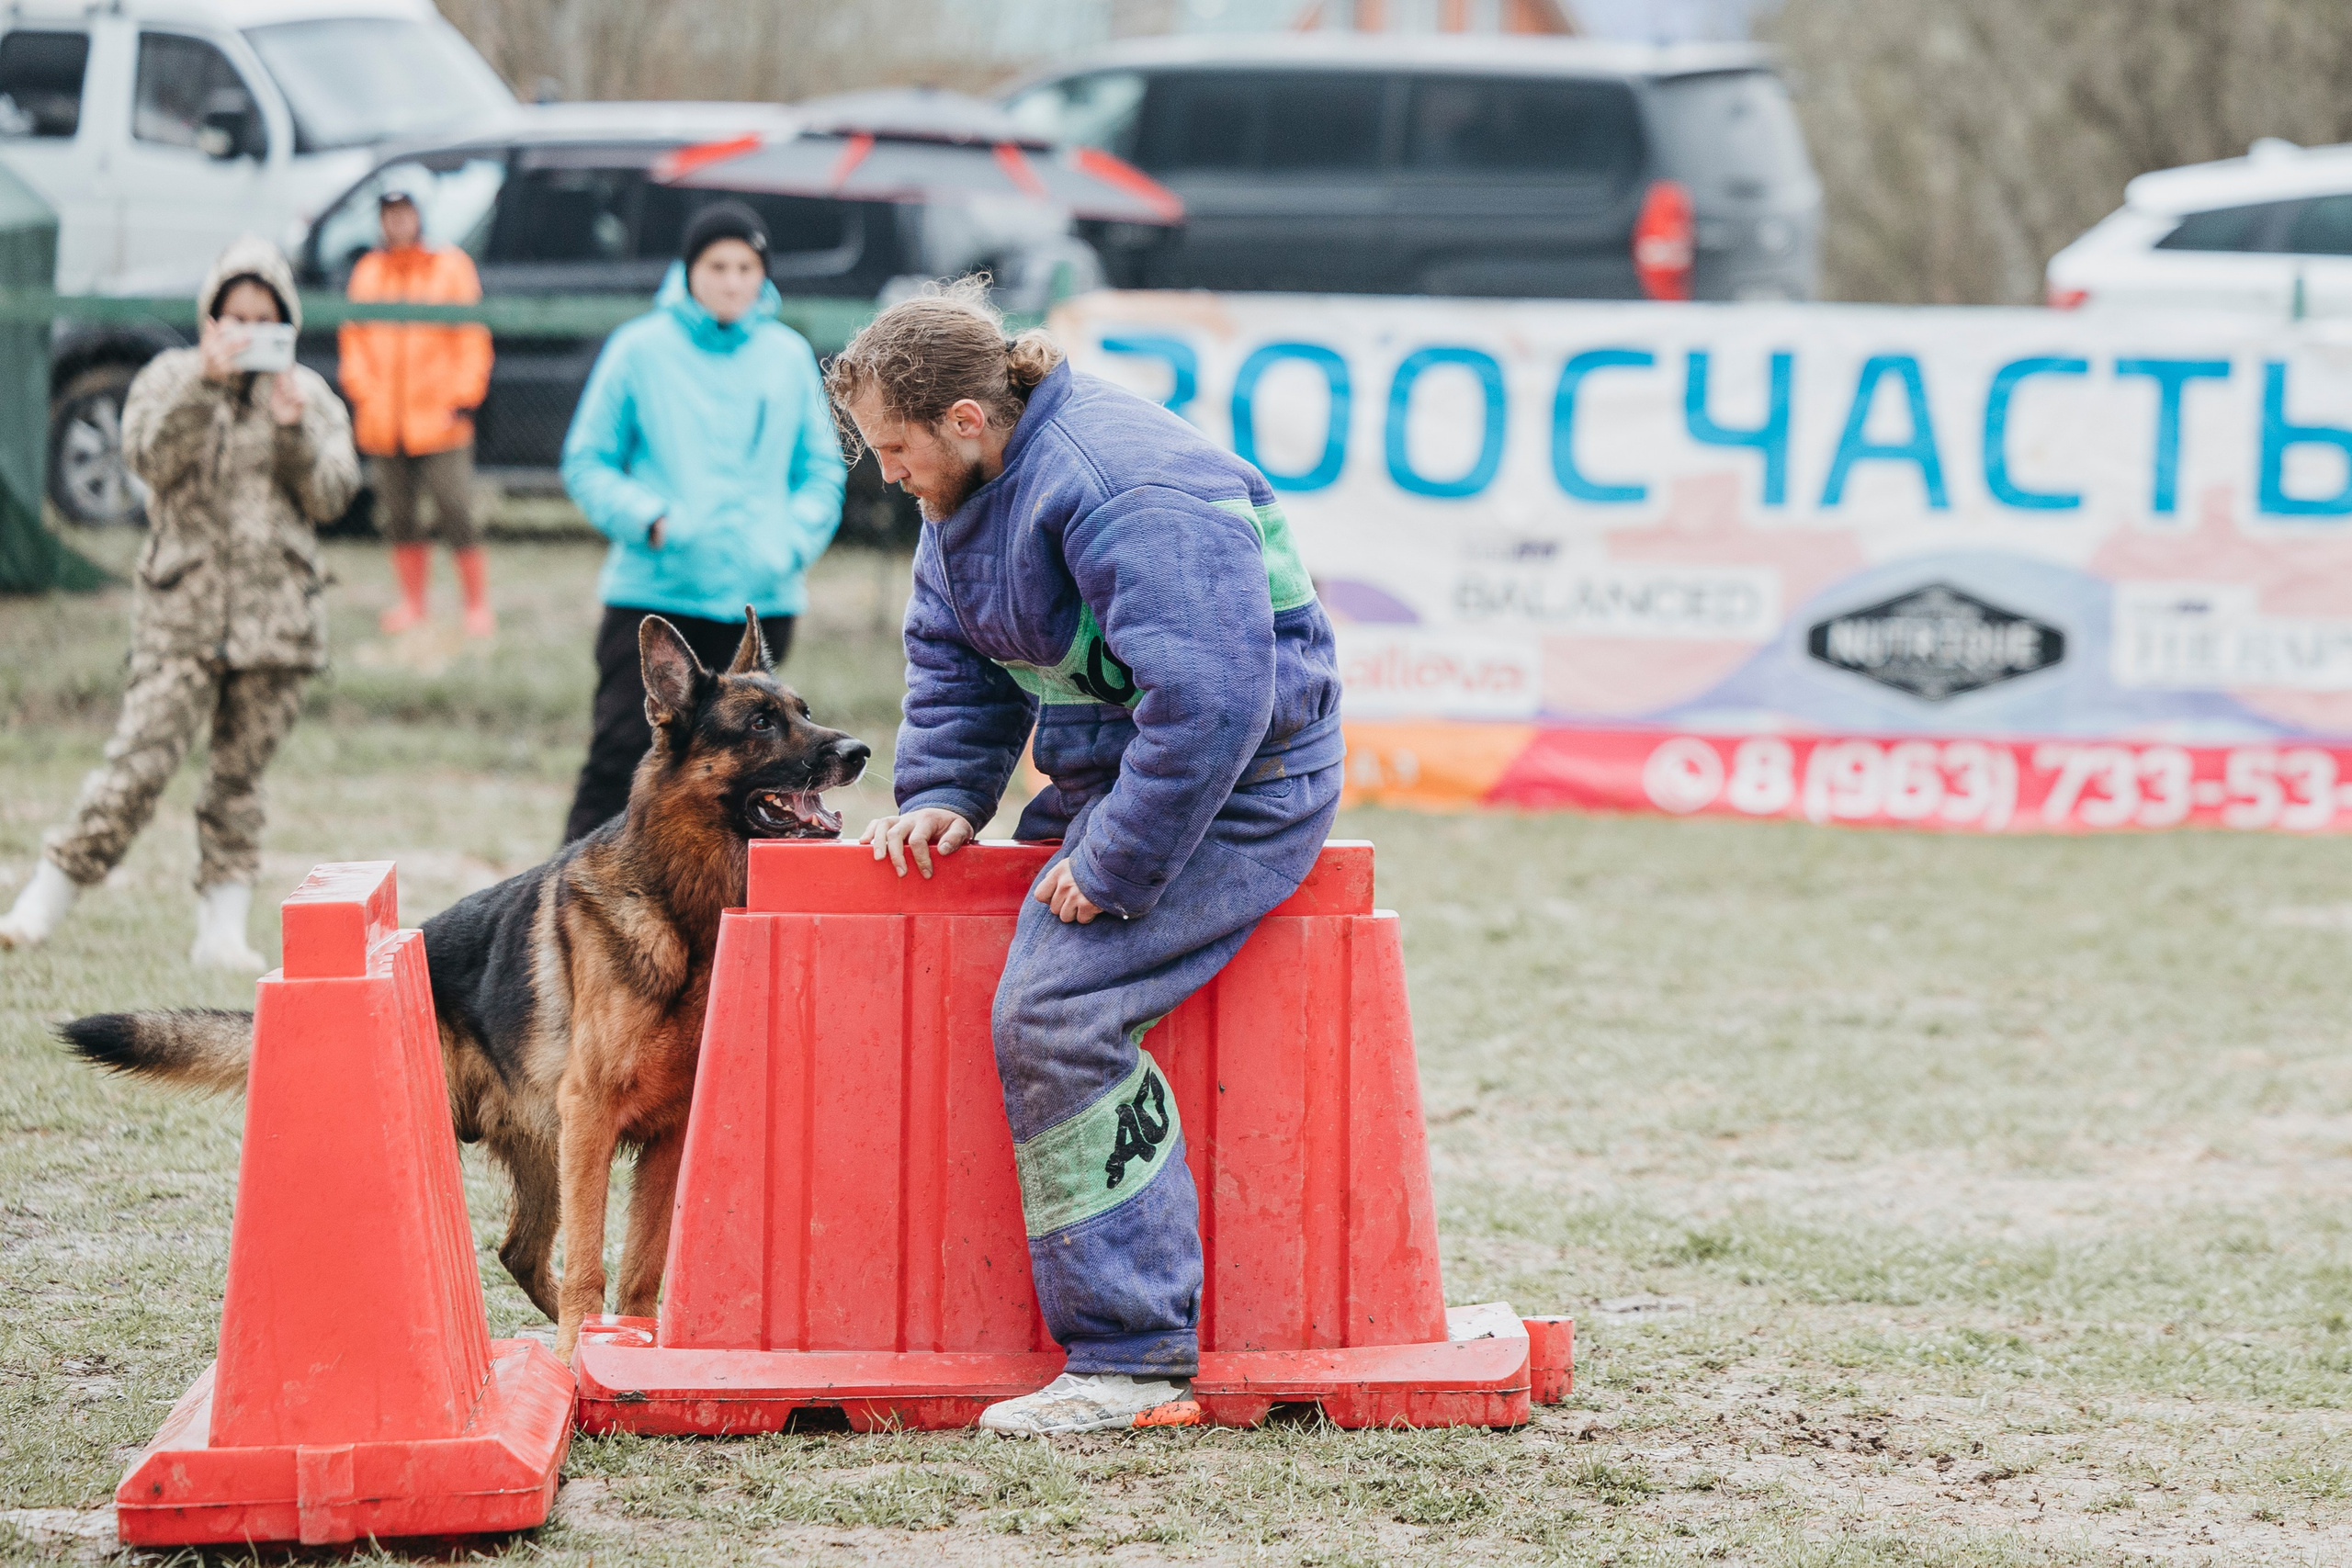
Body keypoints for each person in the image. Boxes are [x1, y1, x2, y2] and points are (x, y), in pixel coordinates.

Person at [830, 281, 1345, 1436]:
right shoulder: (965, 488)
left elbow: (1215, 704)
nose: (887, 474)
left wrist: (1112, 862)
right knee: (1015, 979)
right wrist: (944, 795)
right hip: (1117, 775)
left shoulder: (1127, 490)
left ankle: (1130, 1359)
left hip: (1242, 787)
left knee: (1055, 1014)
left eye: (894, 449)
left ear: (967, 418)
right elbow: (952, 653)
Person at [0, 237, 359, 967]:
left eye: (264, 319)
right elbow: (146, 460)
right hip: (180, 617)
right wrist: (203, 384)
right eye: (235, 316)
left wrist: (293, 432)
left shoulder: (309, 396)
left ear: (286, 322)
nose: (248, 332)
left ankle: (220, 933)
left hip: (277, 625)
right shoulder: (169, 377)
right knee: (136, 764)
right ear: (210, 317)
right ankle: (38, 905)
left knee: (239, 784)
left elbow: (333, 495)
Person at [558, 200, 847, 842]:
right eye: (718, 266)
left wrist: (789, 542)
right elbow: (587, 460)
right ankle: (574, 891)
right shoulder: (640, 349)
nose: (732, 281)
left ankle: (723, 899)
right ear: (689, 270)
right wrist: (649, 519)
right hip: (656, 592)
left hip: (757, 600)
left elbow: (822, 472)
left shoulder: (787, 354)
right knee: (620, 758)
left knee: (752, 779)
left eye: (747, 267)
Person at [338, 186, 495, 637]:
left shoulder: (451, 267)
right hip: (385, 420)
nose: (398, 222)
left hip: (441, 418)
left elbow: (472, 338)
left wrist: (463, 398)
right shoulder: (368, 272)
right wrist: (366, 396)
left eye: (405, 213)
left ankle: (476, 606)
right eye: (390, 215)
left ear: (419, 216)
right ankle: (413, 604)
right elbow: (353, 341)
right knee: (399, 516)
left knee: (456, 511)